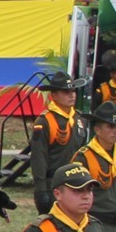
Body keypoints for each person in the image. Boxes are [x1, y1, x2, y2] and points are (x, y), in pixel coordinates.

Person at [28, 71, 86, 216]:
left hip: (76, 181)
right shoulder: (44, 121)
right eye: (66, 92)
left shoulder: (79, 119)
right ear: (53, 95)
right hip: (54, 183)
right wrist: (41, 189)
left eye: (73, 91)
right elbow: (38, 158)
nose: (71, 95)